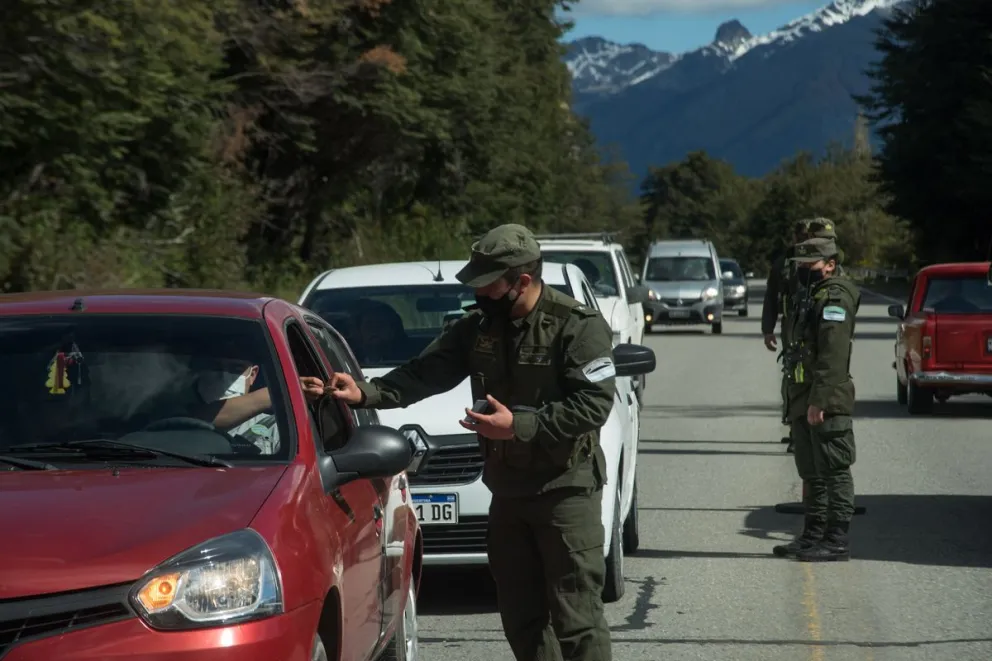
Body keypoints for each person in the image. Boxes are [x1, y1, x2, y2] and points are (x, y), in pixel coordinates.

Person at [326, 223, 617, 661]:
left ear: (522, 281)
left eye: (487, 284)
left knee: (576, 617)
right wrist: (365, 392)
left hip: (565, 493)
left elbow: (595, 405)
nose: (478, 293)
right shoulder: (478, 328)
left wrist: (517, 426)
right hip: (507, 491)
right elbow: (424, 374)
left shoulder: (576, 327)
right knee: (521, 617)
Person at [773, 236, 860, 562]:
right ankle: (812, 534)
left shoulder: (835, 299)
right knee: (810, 470)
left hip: (825, 399)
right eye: (800, 266)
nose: (803, 271)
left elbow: (833, 358)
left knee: (834, 469)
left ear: (830, 265)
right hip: (803, 396)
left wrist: (819, 401)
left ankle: (837, 539)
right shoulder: (810, 295)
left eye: (810, 266)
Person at [761, 218, 837, 452]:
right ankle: (797, 429)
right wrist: (768, 328)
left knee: (819, 372)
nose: (806, 242)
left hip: (818, 325)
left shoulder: (825, 261)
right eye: (803, 237)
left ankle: (820, 429)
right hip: (792, 327)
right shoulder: (784, 264)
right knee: (794, 375)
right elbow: (772, 295)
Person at [193, 359, 324, 453]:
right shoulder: (178, 419)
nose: (223, 377)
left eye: (236, 369)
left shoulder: (278, 427)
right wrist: (282, 389)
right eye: (215, 367)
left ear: (253, 375)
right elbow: (205, 417)